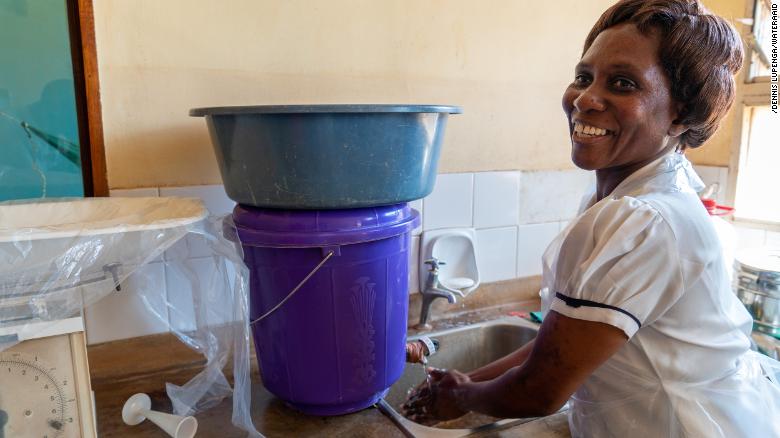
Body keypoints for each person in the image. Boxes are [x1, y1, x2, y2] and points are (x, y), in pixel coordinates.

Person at [402, 1, 780, 436]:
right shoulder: (631, 195)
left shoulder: (642, 218)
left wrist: (460, 397)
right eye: (583, 77)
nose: (584, 98)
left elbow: (540, 390)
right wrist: (468, 382)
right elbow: (557, 348)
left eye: (621, 83)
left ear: (680, 113)